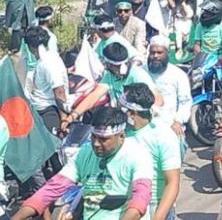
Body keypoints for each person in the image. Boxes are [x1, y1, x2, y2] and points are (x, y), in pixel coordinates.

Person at [13, 107, 152, 220]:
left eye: (104, 139)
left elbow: (141, 197)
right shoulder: (85, 153)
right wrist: (17, 217)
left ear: (121, 136)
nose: (96, 144)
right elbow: (53, 187)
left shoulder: (138, 156)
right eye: (94, 137)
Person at [62, 42, 162, 132]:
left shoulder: (137, 75)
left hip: (139, 126)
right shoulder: (110, 75)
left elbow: (158, 99)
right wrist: (73, 115)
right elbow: (94, 96)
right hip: (121, 122)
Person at [120, 84, 181, 220]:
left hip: (154, 205)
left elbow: (172, 182)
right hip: (124, 204)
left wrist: (158, 217)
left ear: (132, 113)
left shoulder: (163, 135)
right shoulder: (121, 132)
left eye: (123, 108)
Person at [23, 27, 69, 137]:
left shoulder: (48, 62)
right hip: (38, 111)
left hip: (49, 112)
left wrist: (63, 118)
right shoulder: (42, 61)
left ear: (30, 46)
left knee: (51, 150)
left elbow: (59, 91)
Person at [146, 36, 191, 141]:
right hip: (145, 126)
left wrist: (178, 121)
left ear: (167, 53)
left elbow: (185, 102)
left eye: (159, 52)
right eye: (152, 52)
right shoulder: (140, 72)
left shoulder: (178, 75)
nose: (155, 56)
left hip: (170, 125)